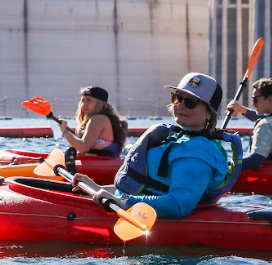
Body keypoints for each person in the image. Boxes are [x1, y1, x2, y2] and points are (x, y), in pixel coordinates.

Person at [70, 73, 242, 219]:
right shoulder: (178, 138)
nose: (181, 105)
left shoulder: (197, 153)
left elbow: (178, 204)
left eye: (191, 102)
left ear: (208, 113)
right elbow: (146, 189)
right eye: (178, 98)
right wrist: (95, 188)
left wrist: (121, 202)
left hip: (153, 222)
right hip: (128, 206)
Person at [55, 86, 126, 158]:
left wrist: (64, 131)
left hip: (98, 165)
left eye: (88, 100)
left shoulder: (98, 119)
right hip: (100, 163)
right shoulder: (105, 118)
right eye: (83, 101)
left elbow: (83, 148)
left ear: (99, 103)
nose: (84, 105)